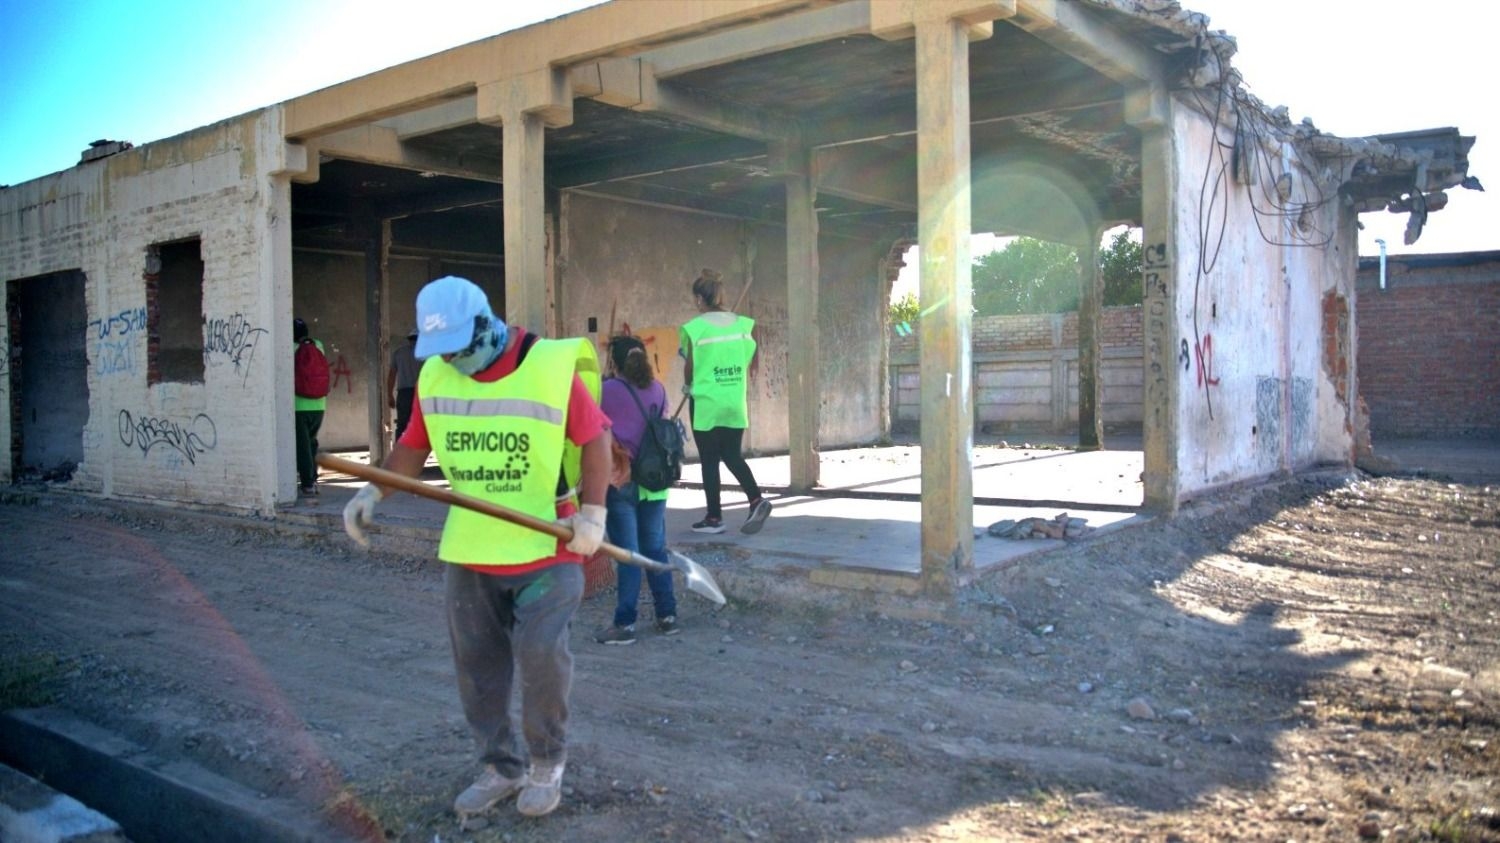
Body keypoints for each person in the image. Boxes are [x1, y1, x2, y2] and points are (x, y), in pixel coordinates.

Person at [340, 276, 611, 820]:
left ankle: (545, 763)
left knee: (541, 659)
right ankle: (500, 767)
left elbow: (595, 437)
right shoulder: (437, 376)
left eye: (460, 348)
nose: (453, 360)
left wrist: (594, 514)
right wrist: (374, 489)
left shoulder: (547, 365)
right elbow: (413, 449)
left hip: (547, 545)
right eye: (442, 351)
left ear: (486, 324)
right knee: (478, 670)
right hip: (472, 550)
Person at [593, 335, 679, 645]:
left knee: (628, 553)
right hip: (656, 483)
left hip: (622, 481)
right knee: (655, 549)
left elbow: (594, 428)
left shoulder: (605, 391)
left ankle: (625, 624)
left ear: (614, 361)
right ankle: (667, 616)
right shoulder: (658, 388)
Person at [680, 268, 772, 535]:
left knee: (709, 459)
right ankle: (756, 499)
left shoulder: (695, 328)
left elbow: (691, 366)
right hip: (734, 400)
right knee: (732, 454)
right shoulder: (744, 325)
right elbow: (748, 359)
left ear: (699, 299)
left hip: (707, 402)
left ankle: (714, 518)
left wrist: (687, 385)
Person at [292, 317, 326, 496]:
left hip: (299, 405)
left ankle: (307, 483)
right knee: (311, 442)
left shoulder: (290, 348)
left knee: (302, 446)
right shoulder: (318, 345)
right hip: (319, 404)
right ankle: (313, 478)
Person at [386, 329, 420, 444]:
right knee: (422, 425)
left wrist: (390, 395)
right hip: (420, 393)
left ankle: (399, 451)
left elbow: (391, 375)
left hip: (404, 394)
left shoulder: (399, 353)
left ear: (409, 339)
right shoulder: (426, 355)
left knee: (402, 425)